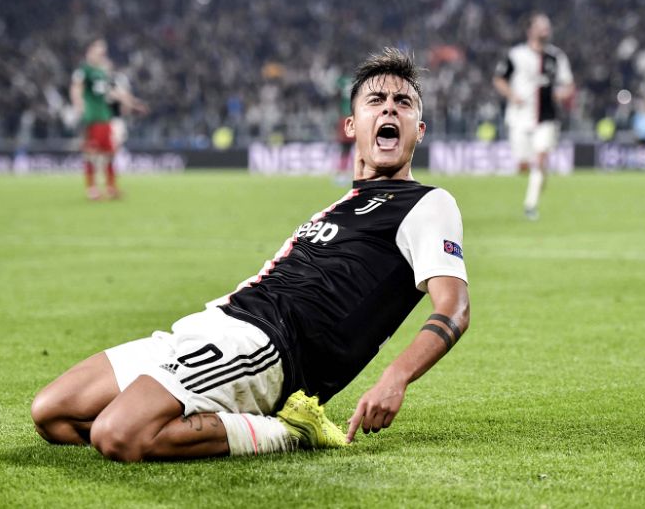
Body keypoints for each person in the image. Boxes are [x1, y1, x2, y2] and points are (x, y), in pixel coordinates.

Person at [32, 48, 471, 462]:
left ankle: (290, 430)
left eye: (403, 103)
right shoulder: (339, 207)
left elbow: (454, 308)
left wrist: (396, 377)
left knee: (118, 434)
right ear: (351, 125)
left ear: (419, 129)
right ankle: (183, 412)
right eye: (376, 100)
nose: (390, 109)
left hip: (270, 346)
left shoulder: (427, 203)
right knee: (51, 413)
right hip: (214, 323)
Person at [493, 13, 574, 221]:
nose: (546, 29)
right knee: (523, 165)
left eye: (547, 26)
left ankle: (530, 205)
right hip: (519, 117)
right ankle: (538, 176)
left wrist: (562, 93)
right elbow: (499, 79)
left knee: (539, 159)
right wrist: (512, 95)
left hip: (546, 117)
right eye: (541, 26)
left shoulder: (556, 56)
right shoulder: (516, 55)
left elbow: (568, 84)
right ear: (530, 30)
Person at [70, 39, 124, 200]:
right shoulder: (84, 70)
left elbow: (110, 92)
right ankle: (92, 189)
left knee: (110, 153)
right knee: (91, 153)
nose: (101, 54)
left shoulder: (103, 72)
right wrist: (78, 106)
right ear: (90, 51)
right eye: (98, 51)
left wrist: (128, 101)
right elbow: (76, 88)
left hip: (105, 116)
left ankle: (111, 188)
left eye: (103, 52)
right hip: (92, 117)